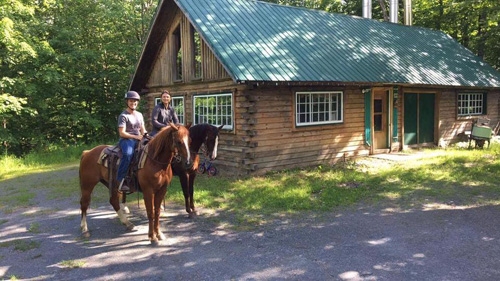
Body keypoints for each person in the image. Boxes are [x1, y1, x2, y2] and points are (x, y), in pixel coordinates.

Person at [117, 91, 146, 192]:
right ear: (127, 102)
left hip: (139, 138)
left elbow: (143, 129)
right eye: (131, 101)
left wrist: (146, 136)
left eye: (135, 101)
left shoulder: (139, 114)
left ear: (137, 102)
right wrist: (135, 137)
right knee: (128, 154)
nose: (133, 102)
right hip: (126, 140)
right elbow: (122, 133)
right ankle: (121, 180)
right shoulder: (123, 116)